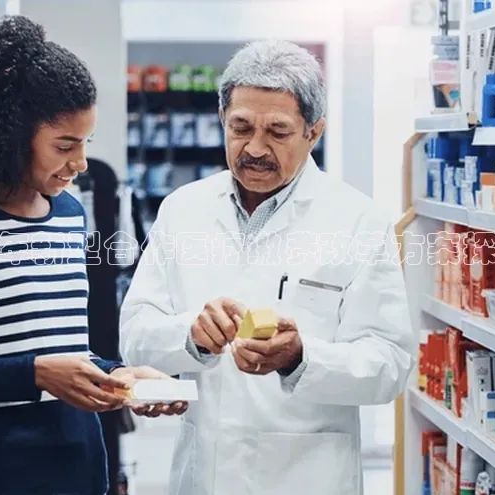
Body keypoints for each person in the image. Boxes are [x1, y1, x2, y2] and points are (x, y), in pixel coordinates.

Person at [0, 16, 185, 495]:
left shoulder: (68, 214)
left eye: (85, 142)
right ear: (10, 134)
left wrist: (118, 377)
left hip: (80, 460)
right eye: (64, 145)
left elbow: (67, 350)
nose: (81, 162)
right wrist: (33, 374)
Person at [119, 40, 416, 495]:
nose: (254, 148)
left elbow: (390, 365)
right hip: (206, 474)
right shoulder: (184, 210)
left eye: (277, 132)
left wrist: (301, 358)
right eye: (240, 127)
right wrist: (192, 336)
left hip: (307, 476)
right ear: (222, 120)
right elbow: (135, 333)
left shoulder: (358, 220)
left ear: (313, 133)